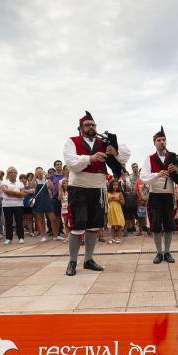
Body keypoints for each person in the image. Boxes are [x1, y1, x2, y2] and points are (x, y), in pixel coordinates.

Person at [63, 111, 130, 276]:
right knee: (77, 226)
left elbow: (125, 155)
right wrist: (90, 158)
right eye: (87, 125)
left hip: (98, 189)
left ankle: (88, 259)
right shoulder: (72, 141)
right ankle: (72, 261)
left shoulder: (102, 142)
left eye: (93, 125)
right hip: (78, 188)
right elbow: (71, 163)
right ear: (80, 128)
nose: (91, 127)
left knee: (94, 226)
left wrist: (114, 152)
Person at [139, 127, 178, 263]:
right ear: (154, 143)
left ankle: (167, 252)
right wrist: (157, 174)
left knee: (168, 225)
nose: (162, 142)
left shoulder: (172, 157)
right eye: (158, 140)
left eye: (163, 140)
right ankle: (158, 252)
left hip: (168, 195)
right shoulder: (149, 159)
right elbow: (143, 177)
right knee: (156, 225)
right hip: (155, 195)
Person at [1, 167, 26, 244]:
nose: (13, 174)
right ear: (8, 174)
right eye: (11, 172)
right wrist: (17, 193)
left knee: (19, 221)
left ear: (16, 174)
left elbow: (23, 194)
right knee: (8, 222)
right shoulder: (4, 182)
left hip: (18, 205)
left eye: (14, 172)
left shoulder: (20, 183)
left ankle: (21, 237)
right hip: (7, 205)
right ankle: (9, 238)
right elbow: (5, 190)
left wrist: (10, 193)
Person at [32, 167, 57, 242]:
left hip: (47, 201)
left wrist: (48, 178)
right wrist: (34, 176)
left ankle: (55, 235)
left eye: (41, 171)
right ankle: (43, 235)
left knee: (53, 218)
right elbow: (32, 186)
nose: (40, 173)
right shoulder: (35, 181)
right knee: (40, 219)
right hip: (38, 201)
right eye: (38, 171)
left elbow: (52, 187)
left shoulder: (46, 180)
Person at [106, 178, 125, 244]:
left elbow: (123, 203)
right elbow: (105, 202)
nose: (115, 186)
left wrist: (117, 200)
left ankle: (119, 238)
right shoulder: (107, 193)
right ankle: (112, 238)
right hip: (110, 210)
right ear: (111, 185)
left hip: (118, 210)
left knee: (119, 224)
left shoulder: (119, 193)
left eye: (117, 185)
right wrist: (110, 199)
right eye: (114, 185)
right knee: (112, 225)